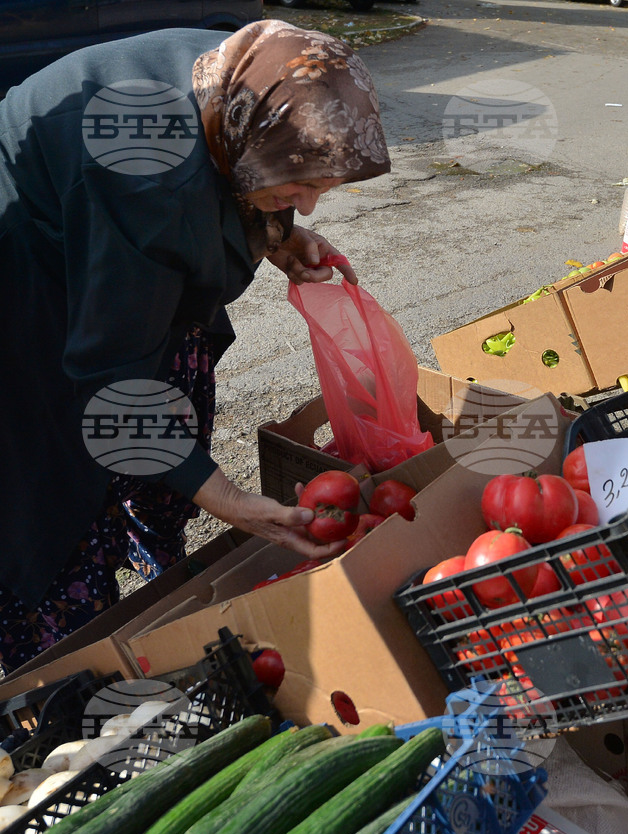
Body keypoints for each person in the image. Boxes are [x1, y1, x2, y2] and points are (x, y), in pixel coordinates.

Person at [0, 20, 392, 674]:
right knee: (50, 476)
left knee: (172, 398)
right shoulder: (151, 183)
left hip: (106, 212)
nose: (312, 207)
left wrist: (275, 234)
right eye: (298, 189)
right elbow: (111, 384)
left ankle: (156, 562)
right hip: (24, 264)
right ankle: (56, 676)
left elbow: (236, 171)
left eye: (319, 186)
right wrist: (230, 500)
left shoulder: (241, 82)